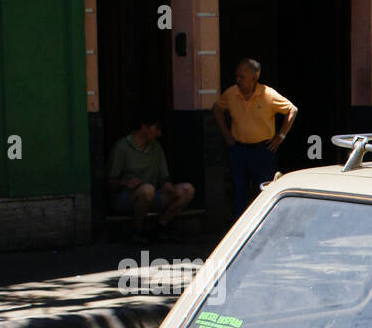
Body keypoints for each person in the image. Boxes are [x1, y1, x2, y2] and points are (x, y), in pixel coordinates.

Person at [212, 58, 298, 219]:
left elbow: (292, 110)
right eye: (237, 76)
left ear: (254, 77)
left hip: (262, 151)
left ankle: (264, 222)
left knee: (263, 190)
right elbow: (217, 109)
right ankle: (238, 225)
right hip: (238, 149)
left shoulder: (268, 94)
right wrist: (226, 135)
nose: (238, 80)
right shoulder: (231, 93)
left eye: (242, 77)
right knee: (238, 191)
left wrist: (280, 136)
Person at [106, 118, 195, 244]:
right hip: (127, 198)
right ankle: (137, 231)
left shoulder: (156, 147)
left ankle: (160, 226)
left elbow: (164, 176)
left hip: (152, 196)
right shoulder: (122, 147)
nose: (159, 133)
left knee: (187, 190)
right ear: (144, 127)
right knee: (147, 190)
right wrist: (125, 183)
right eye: (156, 129)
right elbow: (110, 182)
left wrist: (167, 185)